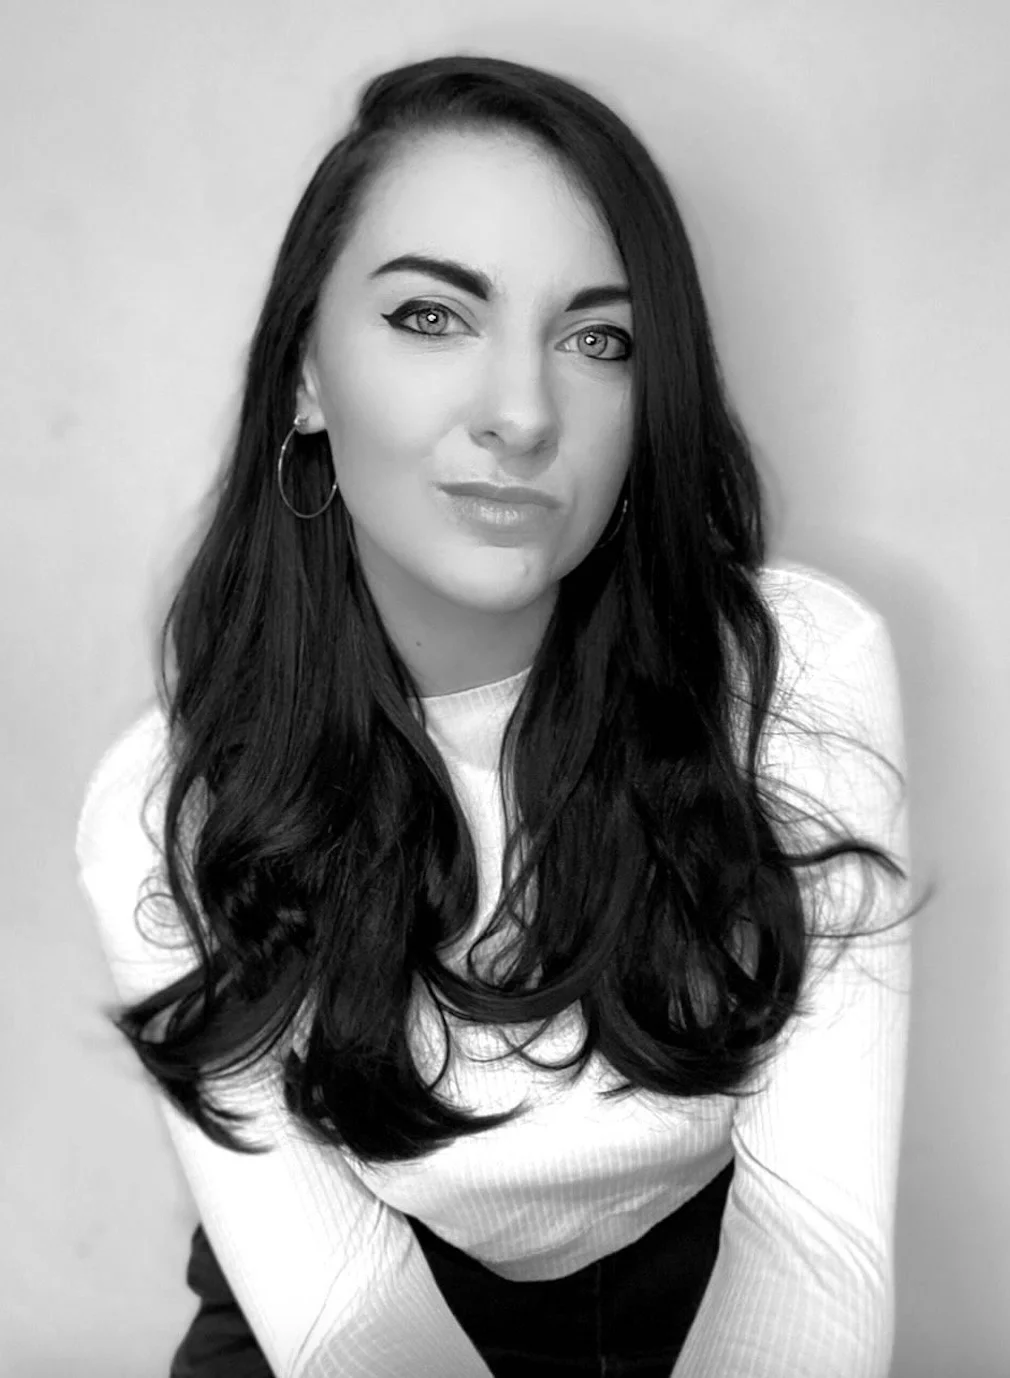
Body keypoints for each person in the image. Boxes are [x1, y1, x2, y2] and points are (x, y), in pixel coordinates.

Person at [74, 52, 920, 1378]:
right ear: (304, 375)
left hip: (704, 1277)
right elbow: (348, 1312)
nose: (523, 414)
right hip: (344, 1281)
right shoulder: (163, 807)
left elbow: (812, 1248)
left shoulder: (794, 674)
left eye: (599, 340)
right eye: (431, 316)